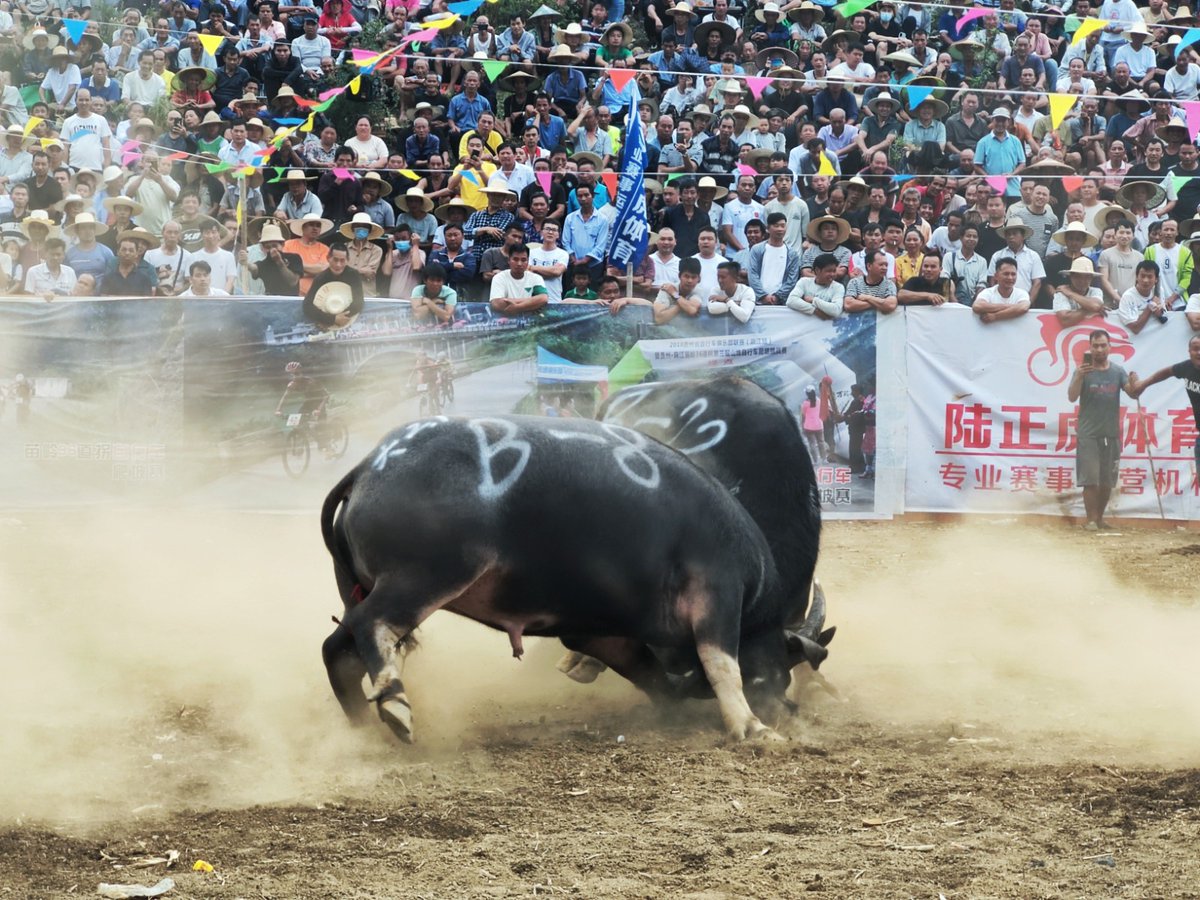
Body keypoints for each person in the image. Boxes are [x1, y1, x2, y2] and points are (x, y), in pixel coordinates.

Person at [1067, 329, 1139, 531]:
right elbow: (1072, 396)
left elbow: (1132, 393)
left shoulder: (1117, 371)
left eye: (1103, 345)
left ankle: (1099, 519)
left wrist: (1135, 382)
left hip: (1111, 432)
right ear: (1089, 347)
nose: (1099, 349)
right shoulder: (1083, 371)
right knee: (1090, 479)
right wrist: (1079, 377)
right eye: (1095, 345)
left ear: (1110, 347)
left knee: (1107, 479)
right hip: (1088, 433)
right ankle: (1090, 520)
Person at [1128, 334, 1200, 470]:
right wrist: (1143, 384)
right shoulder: (1187, 367)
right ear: (1189, 351)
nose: (1199, 353)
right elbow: (1167, 372)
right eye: (1196, 349)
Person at [275, 361, 334, 457]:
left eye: (297, 373)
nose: (294, 376)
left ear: (301, 372)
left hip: (319, 401)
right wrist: (278, 410)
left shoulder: (311, 382)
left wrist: (319, 410)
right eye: (291, 375)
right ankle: (300, 444)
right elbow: (285, 398)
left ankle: (328, 448)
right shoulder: (291, 385)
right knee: (298, 421)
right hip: (309, 402)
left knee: (320, 426)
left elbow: (326, 396)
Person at [303, 243, 364, 329]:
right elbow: (307, 306)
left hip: (347, 320)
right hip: (324, 321)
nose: (338, 265)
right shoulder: (320, 278)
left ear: (348, 260)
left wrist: (343, 317)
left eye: (342, 260)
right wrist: (332, 319)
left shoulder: (353, 275)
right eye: (335, 260)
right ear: (328, 258)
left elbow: (359, 302)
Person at [489, 242, 547, 314]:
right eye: (515, 259)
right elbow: (497, 304)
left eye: (523, 260)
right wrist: (532, 303)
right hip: (505, 321)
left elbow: (543, 298)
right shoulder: (499, 277)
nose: (519, 264)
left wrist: (517, 308)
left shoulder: (536, 278)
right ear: (509, 260)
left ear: (528, 261)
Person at [973, 257, 1032, 323]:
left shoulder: (1022, 293)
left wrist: (995, 316)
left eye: (1013, 274)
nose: (1010, 278)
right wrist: (1013, 307)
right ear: (996, 276)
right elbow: (977, 306)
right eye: (1006, 274)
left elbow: (1023, 307)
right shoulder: (987, 292)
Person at [787, 253, 845, 318]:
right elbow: (791, 300)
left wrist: (813, 300)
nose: (832, 274)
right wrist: (814, 310)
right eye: (829, 271)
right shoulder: (804, 282)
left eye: (834, 271)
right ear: (817, 270)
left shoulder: (838, 287)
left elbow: (836, 310)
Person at [653, 256, 703, 325]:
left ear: (699, 279)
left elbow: (691, 310)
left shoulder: (698, 290)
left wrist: (674, 294)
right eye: (686, 276)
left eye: (693, 277)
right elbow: (659, 319)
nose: (690, 281)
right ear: (679, 276)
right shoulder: (667, 289)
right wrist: (684, 305)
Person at [799, 384, 827, 467]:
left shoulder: (805, 403)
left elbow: (803, 416)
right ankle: (824, 459)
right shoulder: (819, 401)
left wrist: (802, 426)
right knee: (821, 442)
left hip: (808, 426)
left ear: (807, 394)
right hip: (819, 425)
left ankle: (815, 461)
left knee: (812, 443)